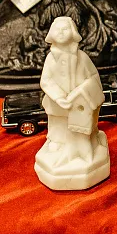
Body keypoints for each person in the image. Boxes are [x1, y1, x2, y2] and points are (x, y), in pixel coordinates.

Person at [35, 16, 110, 190]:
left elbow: (93, 76)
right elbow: (45, 81)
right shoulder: (50, 59)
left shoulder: (82, 57)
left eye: (65, 29)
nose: (61, 32)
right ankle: (57, 141)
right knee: (58, 122)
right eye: (58, 29)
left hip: (80, 103)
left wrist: (83, 90)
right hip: (57, 103)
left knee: (81, 122)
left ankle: (87, 141)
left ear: (73, 32)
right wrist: (58, 96)